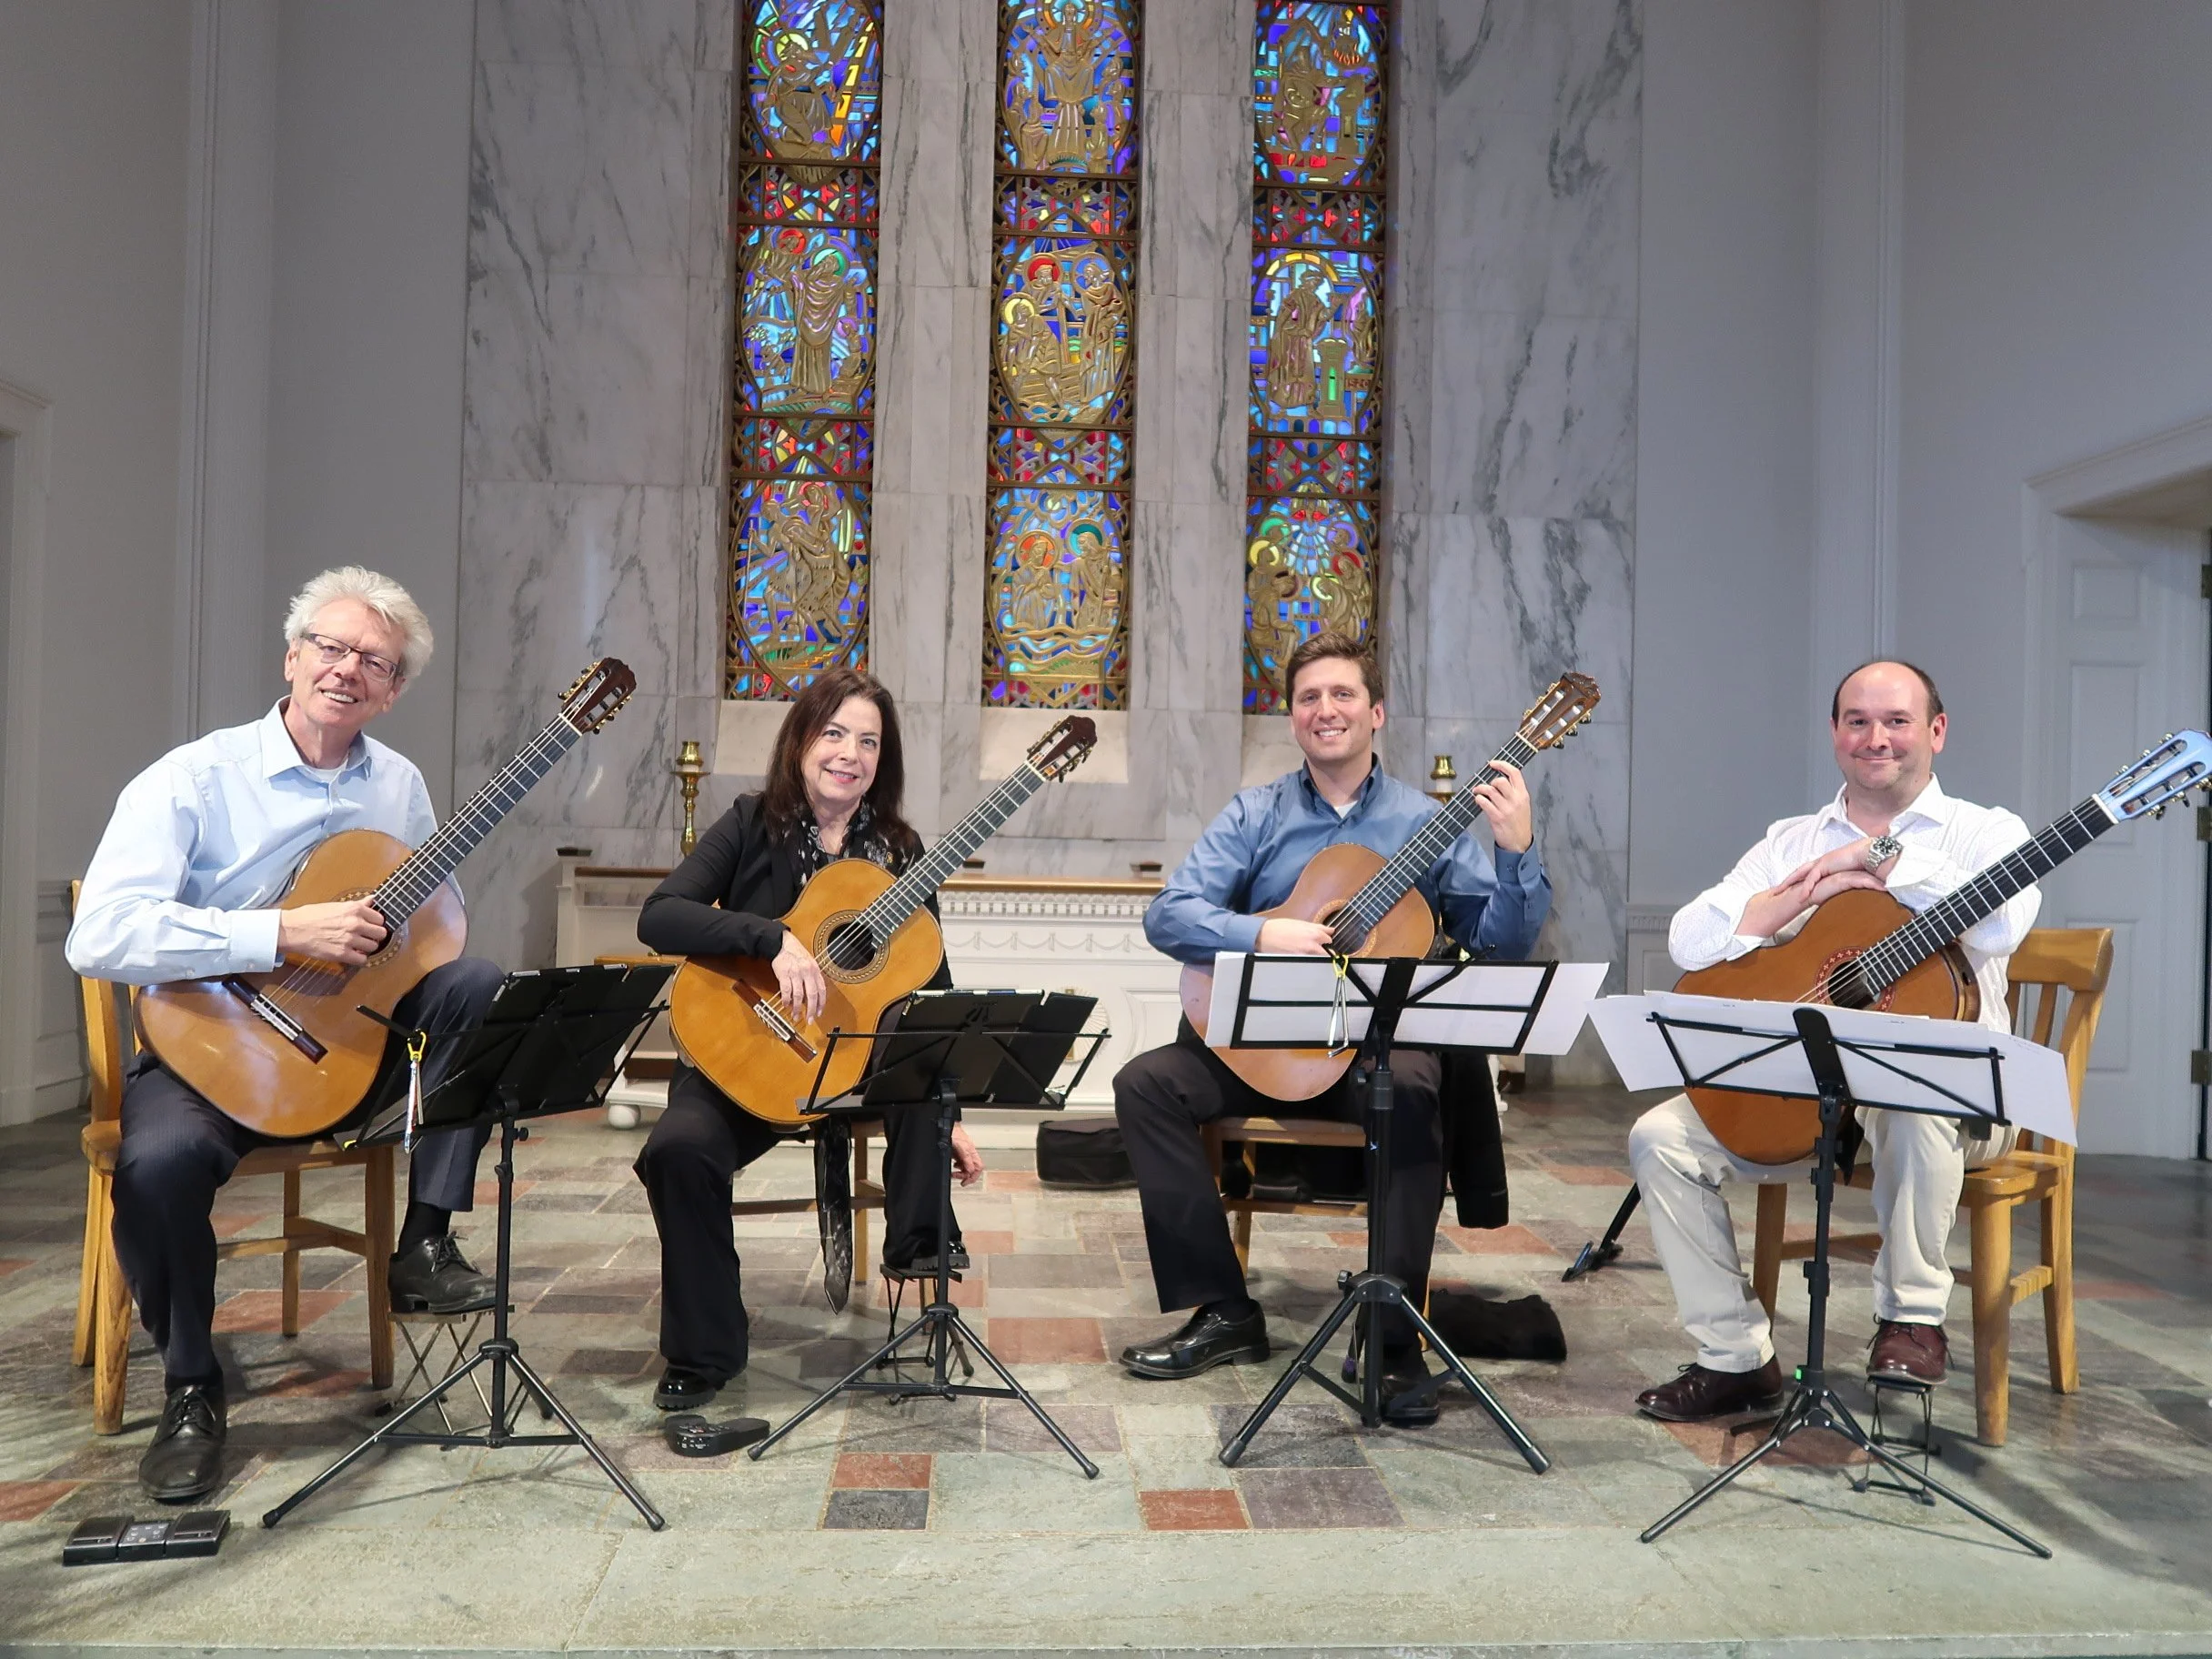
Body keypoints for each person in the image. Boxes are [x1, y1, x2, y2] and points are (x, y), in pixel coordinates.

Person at [66, 567, 504, 1503]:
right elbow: (97, 934)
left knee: (478, 985)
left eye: (374, 663)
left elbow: (439, 927)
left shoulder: (400, 786)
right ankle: (191, 1383)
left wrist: (394, 937)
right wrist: (276, 932)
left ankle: (423, 1244)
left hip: (345, 1049)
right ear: (293, 656)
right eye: (333, 648)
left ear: (391, 692)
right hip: (210, 1048)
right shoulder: (194, 778)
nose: (348, 671)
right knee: (158, 1167)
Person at [1112, 631, 1550, 1423]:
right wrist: (1264, 934)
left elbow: (1502, 945)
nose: (1327, 710)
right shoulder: (1257, 813)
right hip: (1265, 1049)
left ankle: (1393, 1337)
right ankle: (1223, 1311)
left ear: (1376, 712)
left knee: (1418, 1081)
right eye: (1309, 697)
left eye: (1343, 694)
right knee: (1144, 1084)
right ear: (1292, 720)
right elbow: (1168, 914)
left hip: (1368, 1060)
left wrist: (1516, 852)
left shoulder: (1429, 821)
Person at [1628, 659, 2038, 1423]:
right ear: (1834, 733)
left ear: (1937, 732)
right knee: (1661, 1139)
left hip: (1956, 1101)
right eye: (1857, 721)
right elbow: (1691, 938)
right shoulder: (1793, 840)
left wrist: (1881, 859)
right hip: (1804, 1092)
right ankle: (1736, 1358)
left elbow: (2003, 922)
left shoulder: (1988, 831)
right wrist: (1800, 893)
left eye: (1897, 721)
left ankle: (1912, 1318)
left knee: (1910, 1102)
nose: (1875, 738)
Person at [632, 668, 983, 1413]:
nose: (848, 753)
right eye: (833, 733)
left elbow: (932, 985)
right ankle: (705, 1353)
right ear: (800, 741)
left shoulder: (900, 849)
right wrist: (770, 939)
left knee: (926, 1077)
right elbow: (660, 916)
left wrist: (954, 1111)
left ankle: (916, 1254)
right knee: (677, 1152)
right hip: (755, 1053)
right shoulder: (749, 822)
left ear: (882, 761)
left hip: (852, 1069)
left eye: (868, 741)